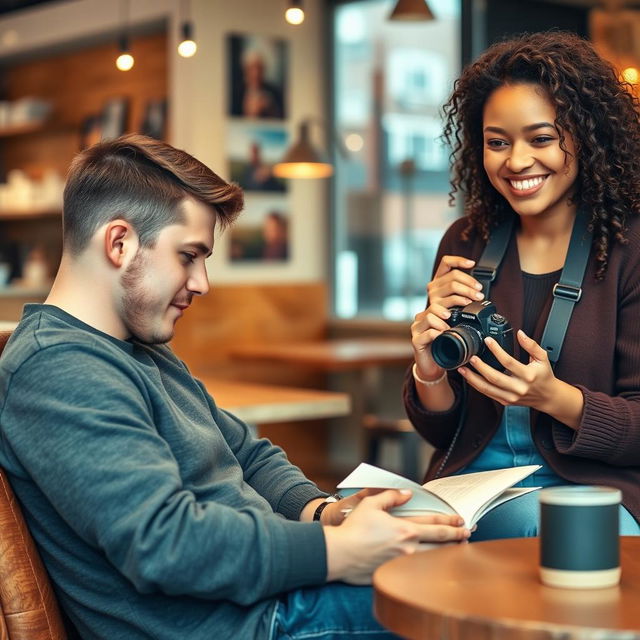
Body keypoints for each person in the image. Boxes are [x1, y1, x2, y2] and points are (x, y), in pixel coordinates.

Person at [0, 134, 470, 640]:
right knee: (466, 596)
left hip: (266, 601)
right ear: (119, 243)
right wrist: (339, 552)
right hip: (240, 626)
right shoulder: (57, 368)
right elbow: (165, 543)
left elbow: (246, 453)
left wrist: (325, 513)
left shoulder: (138, 348)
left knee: (465, 570)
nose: (202, 283)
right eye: (189, 255)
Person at [404, 31, 640, 540]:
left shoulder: (631, 249)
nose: (515, 162)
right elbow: (444, 434)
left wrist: (555, 398)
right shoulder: (466, 240)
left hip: (594, 491)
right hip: (473, 489)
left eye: (541, 138)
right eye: (497, 142)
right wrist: (428, 369)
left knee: (552, 535)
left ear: (585, 136)